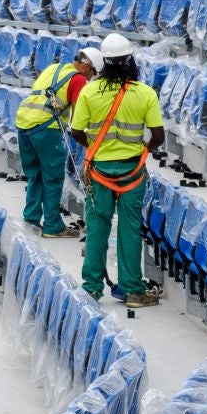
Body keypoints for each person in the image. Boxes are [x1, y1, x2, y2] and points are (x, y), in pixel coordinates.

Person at [70, 33, 165, 308]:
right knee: (130, 229)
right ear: (128, 60)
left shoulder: (89, 91)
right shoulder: (144, 93)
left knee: (98, 226)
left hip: (99, 170)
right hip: (132, 173)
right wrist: (145, 148)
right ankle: (133, 291)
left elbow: (77, 130)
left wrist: (94, 147)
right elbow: (158, 135)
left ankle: (91, 288)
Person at [15, 46, 103, 238]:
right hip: (46, 129)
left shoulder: (54, 68)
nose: (90, 79)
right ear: (87, 66)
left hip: (24, 122)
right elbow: (81, 115)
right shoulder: (78, 79)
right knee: (52, 177)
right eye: (93, 74)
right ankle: (53, 226)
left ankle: (31, 219)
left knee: (35, 175)